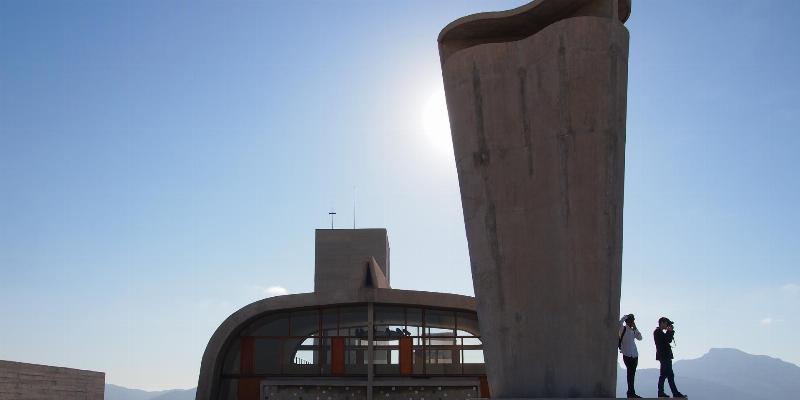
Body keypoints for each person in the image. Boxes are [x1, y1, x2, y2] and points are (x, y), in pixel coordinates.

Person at [654, 317, 687, 398]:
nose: (667, 325)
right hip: (664, 356)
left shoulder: (660, 332)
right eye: (666, 323)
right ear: (662, 323)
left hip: (665, 356)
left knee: (667, 375)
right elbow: (667, 340)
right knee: (666, 375)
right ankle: (669, 393)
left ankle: (667, 393)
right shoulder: (657, 332)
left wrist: (669, 331)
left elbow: (667, 340)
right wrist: (670, 331)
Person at [619, 314, 642, 398]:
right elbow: (619, 324)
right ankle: (630, 393)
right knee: (630, 374)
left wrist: (635, 328)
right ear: (628, 321)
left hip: (635, 355)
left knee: (632, 375)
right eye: (632, 320)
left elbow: (640, 337)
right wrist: (625, 317)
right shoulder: (623, 329)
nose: (633, 322)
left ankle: (631, 392)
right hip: (627, 354)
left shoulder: (633, 331)